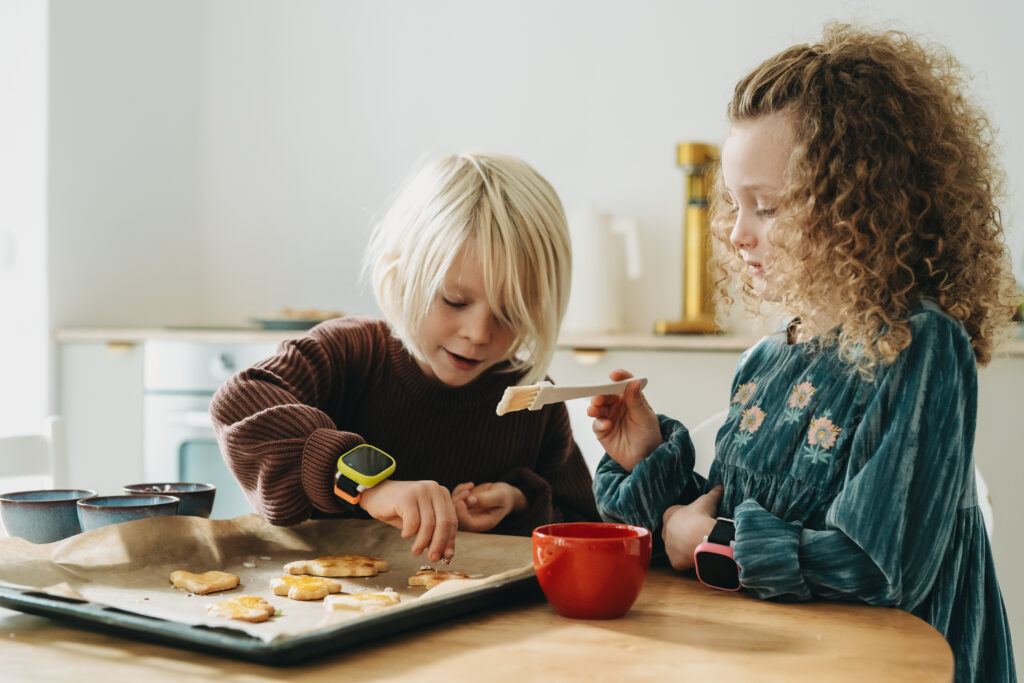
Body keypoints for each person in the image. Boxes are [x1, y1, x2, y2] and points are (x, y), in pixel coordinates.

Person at [589, 24, 1018, 682]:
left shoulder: (918, 346)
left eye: (767, 206)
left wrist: (703, 542)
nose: (736, 234)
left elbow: (880, 566)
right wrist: (651, 462)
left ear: (861, 205)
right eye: (735, 203)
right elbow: (724, 515)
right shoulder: (764, 360)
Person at [212, 151, 599, 565]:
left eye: (510, 314)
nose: (478, 333)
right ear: (400, 279)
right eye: (454, 300)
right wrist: (367, 486)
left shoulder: (532, 400)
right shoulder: (349, 352)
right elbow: (239, 403)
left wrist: (521, 505)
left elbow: (583, 531)